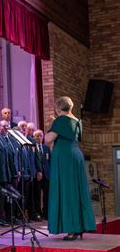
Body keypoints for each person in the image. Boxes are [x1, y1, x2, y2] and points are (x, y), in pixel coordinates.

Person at [44, 96, 96, 240]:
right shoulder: (77, 121)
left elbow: (48, 140)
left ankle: (72, 228)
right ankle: (79, 226)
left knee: (67, 191)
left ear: (58, 108)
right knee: (76, 190)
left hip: (65, 158)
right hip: (76, 155)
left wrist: (52, 124)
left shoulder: (61, 120)